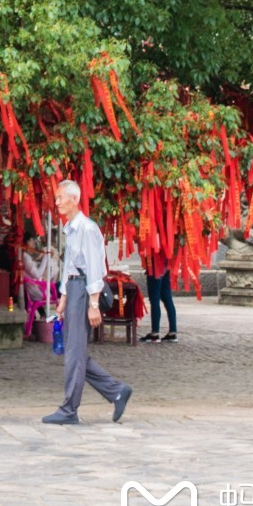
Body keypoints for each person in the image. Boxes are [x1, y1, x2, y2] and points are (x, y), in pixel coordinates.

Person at [43, 178, 132, 426]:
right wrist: (62, 298)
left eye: (61, 197)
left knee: (74, 352)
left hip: (84, 290)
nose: (57, 201)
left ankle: (69, 409)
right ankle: (116, 391)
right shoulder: (71, 228)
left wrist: (93, 304)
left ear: (74, 199)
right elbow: (68, 267)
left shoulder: (87, 228)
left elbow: (93, 267)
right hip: (74, 288)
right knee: (76, 351)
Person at [21, 227, 58, 340]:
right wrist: (45, 259)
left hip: (37, 288)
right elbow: (37, 275)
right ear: (27, 242)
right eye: (32, 240)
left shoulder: (26, 257)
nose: (33, 243)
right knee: (62, 288)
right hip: (37, 291)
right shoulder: (25, 258)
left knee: (61, 286)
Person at [143, 237, 178, 343]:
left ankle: (155, 333)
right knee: (168, 299)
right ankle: (173, 332)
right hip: (166, 263)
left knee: (155, 300)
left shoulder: (155, 228)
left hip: (155, 265)